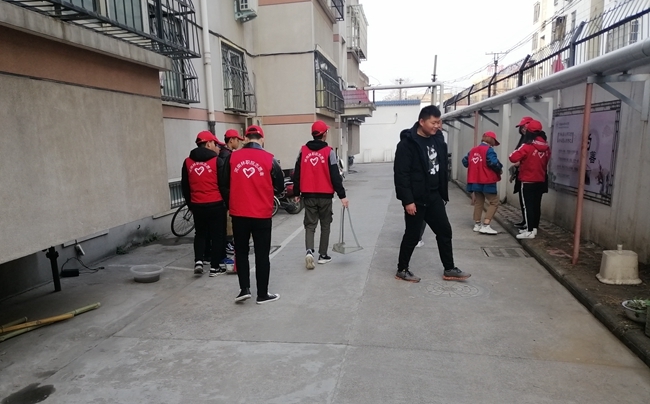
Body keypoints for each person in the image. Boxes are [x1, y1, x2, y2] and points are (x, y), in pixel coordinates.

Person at [393, 105, 470, 282]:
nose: (437, 126)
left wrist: (443, 192)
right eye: (433, 123)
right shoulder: (407, 144)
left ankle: (449, 269)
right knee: (412, 235)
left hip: (434, 196)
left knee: (444, 231)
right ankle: (402, 269)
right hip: (416, 199)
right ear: (422, 122)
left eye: (438, 122)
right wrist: (407, 200)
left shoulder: (437, 140)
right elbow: (401, 174)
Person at [220, 125, 284, 304]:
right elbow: (279, 186)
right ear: (262, 139)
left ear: (246, 139)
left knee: (241, 251)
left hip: (239, 213)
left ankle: (244, 289)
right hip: (262, 214)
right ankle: (262, 294)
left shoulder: (232, 158)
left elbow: (223, 184)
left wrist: (232, 202)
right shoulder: (270, 159)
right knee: (262, 254)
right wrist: (265, 193)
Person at [292, 120, 348, 270]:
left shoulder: (303, 151)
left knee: (310, 225)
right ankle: (323, 255)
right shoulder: (329, 152)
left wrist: (296, 192)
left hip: (308, 195)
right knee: (325, 224)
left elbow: (297, 173)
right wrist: (342, 196)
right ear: (324, 134)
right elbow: (335, 175)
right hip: (325, 195)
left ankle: (309, 251)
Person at [181, 131, 227, 277]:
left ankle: (199, 261)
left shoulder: (187, 162)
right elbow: (223, 185)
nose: (216, 146)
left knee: (200, 234)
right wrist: (227, 203)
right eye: (214, 143)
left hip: (197, 205)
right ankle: (214, 267)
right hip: (215, 204)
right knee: (217, 235)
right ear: (208, 144)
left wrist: (190, 205)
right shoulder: (217, 161)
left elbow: (185, 186)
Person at [509, 120, 550, 240]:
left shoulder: (527, 146)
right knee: (536, 205)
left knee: (528, 206)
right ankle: (534, 228)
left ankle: (529, 231)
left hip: (528, 180)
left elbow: (512, 157)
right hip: (541, 179)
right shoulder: (546, 147)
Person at [462, 131, 504, 235]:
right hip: (487, 180)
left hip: (475, 180)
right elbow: (493, 163)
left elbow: (465, 161)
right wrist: (499, 168)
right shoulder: (489, 150)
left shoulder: (473, 150)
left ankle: (477, 224)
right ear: (492, 140)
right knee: (494, 201)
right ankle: (486, 225)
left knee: (479, 202)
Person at [220, 129, 244, 259]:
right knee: (228, 224)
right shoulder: (226, 156)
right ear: (231, 140)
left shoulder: (226, 154)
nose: (238, 142)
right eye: (237, 140)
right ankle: (228, 244)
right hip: (228, 197)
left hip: (227, 196)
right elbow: (225, 180)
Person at [511, 116, 533, 229]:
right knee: (523, 199)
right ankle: (526, 221)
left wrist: (519, 161)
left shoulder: (531, 142)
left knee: (529, 201)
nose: (523, 129)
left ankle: (530, 225)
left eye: (524, 127)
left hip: (528, 175)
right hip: (521, 173)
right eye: (521, 127)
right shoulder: (523, 139)